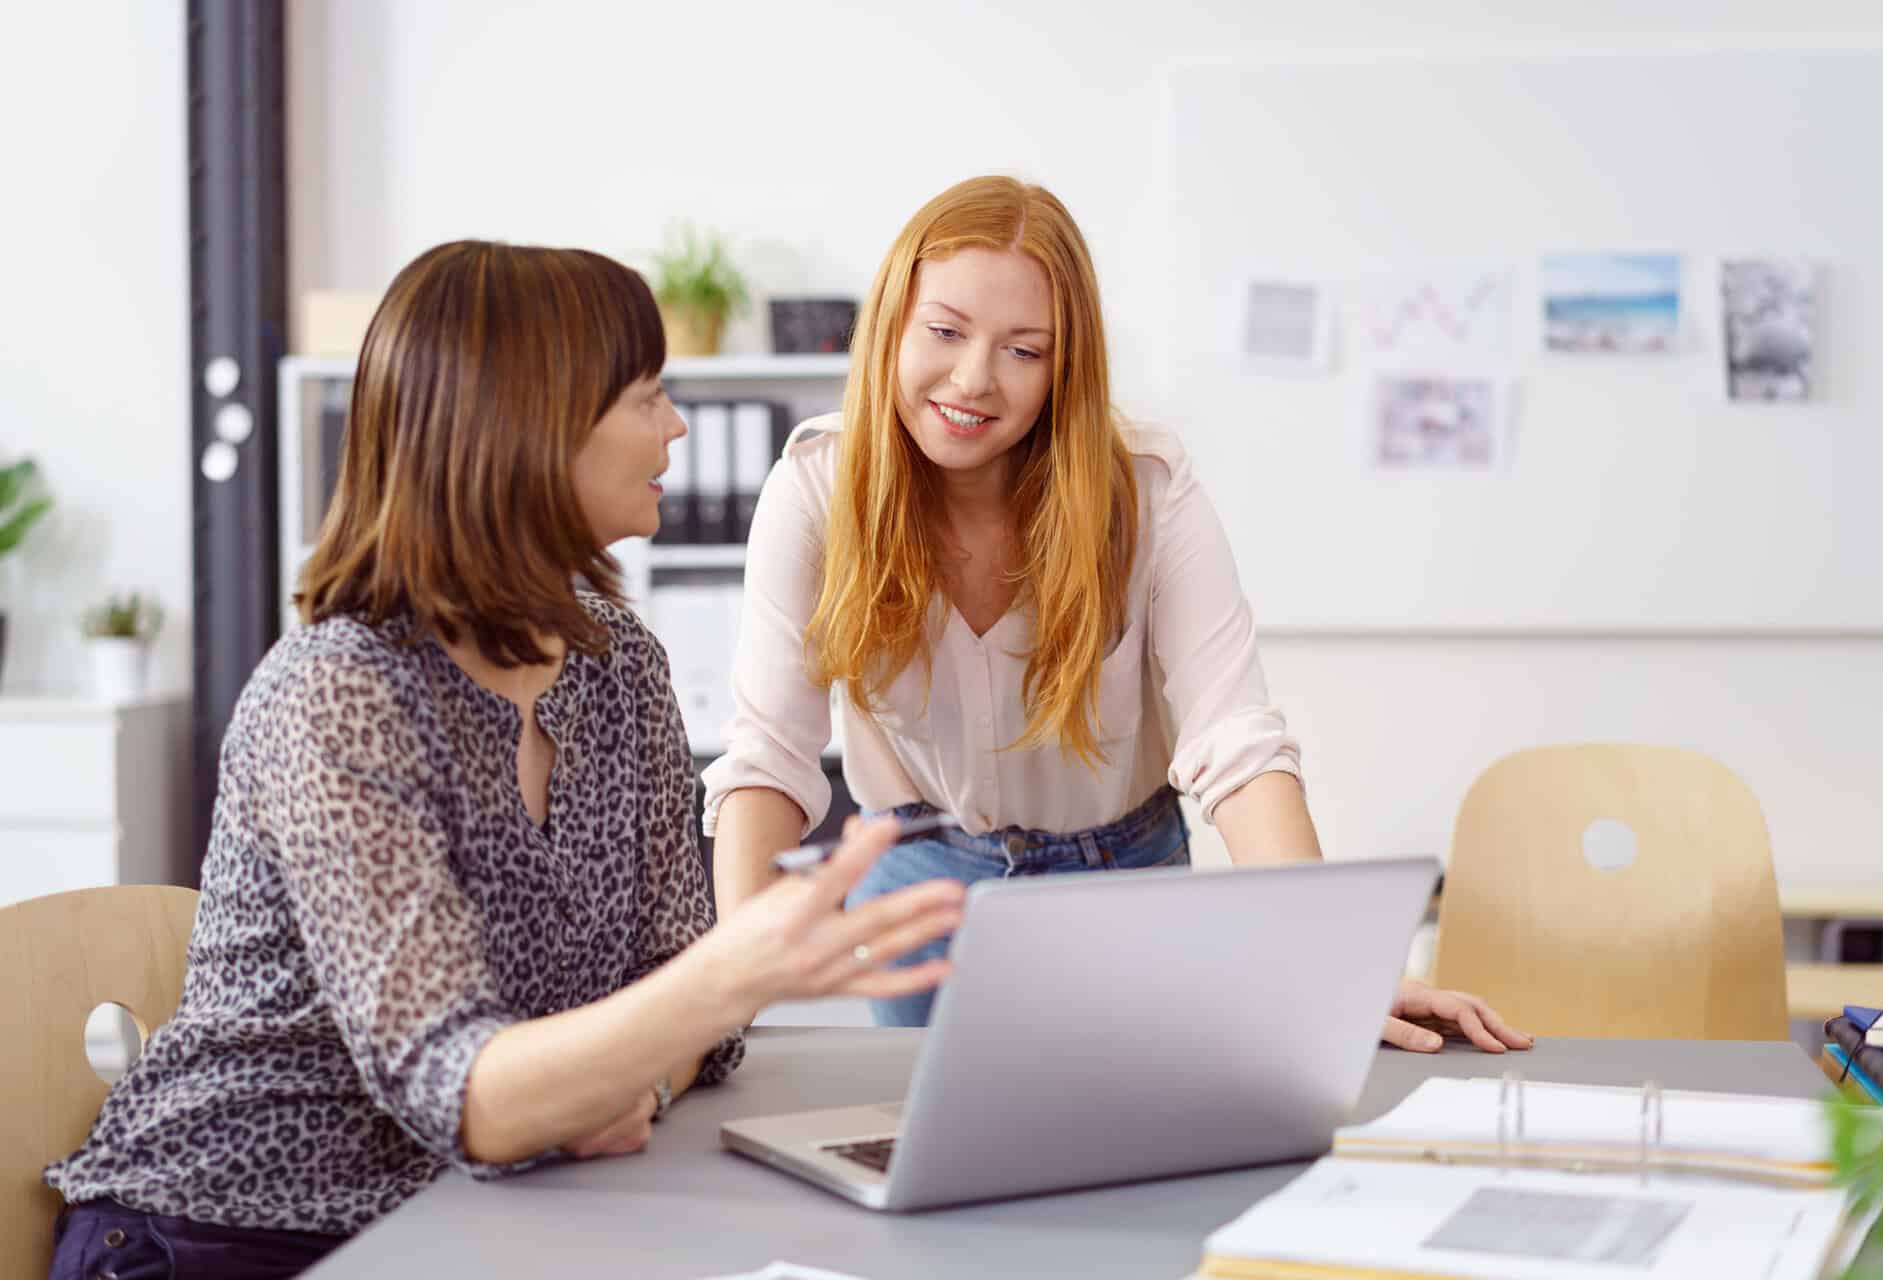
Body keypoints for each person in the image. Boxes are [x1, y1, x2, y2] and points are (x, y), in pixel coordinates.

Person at [42, 241, 963, 1280]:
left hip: (474, 1216)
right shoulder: (337, 694)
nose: (677, 426)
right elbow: (466, 1091)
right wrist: (727, 977)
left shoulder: (618, 669)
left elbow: (670, 992)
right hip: (227, 1237)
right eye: (647, 395)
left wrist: (635, 1082)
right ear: (528, 423)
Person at [704, 176, 1530, 1050]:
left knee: (1132, 1160)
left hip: (1123, 875)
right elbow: (770, 755)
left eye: (1025, 350)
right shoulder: (815, 490)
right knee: (922, 1159)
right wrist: (724, 996)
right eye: (944, 331)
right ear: (891, 325)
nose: (974, 379)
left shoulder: (1144, 490)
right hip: (920, 885)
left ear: (1068, 367)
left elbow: (1235, 742)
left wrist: (1331, 969)